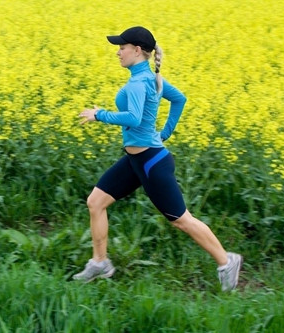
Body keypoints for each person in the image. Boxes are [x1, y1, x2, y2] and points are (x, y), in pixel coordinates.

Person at [75, 26, 242, 291]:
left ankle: (227, 261)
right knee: (95, 202)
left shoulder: (140, 82)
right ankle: (100, 262)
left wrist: (100, 115)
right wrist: (164, 132)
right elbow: (179, 99)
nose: (118, 52)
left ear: (137, 50)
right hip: (135, 161)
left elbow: (134, 118)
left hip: (151, 162)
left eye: (122, 47)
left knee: (180, 219)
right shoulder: (150, 79)